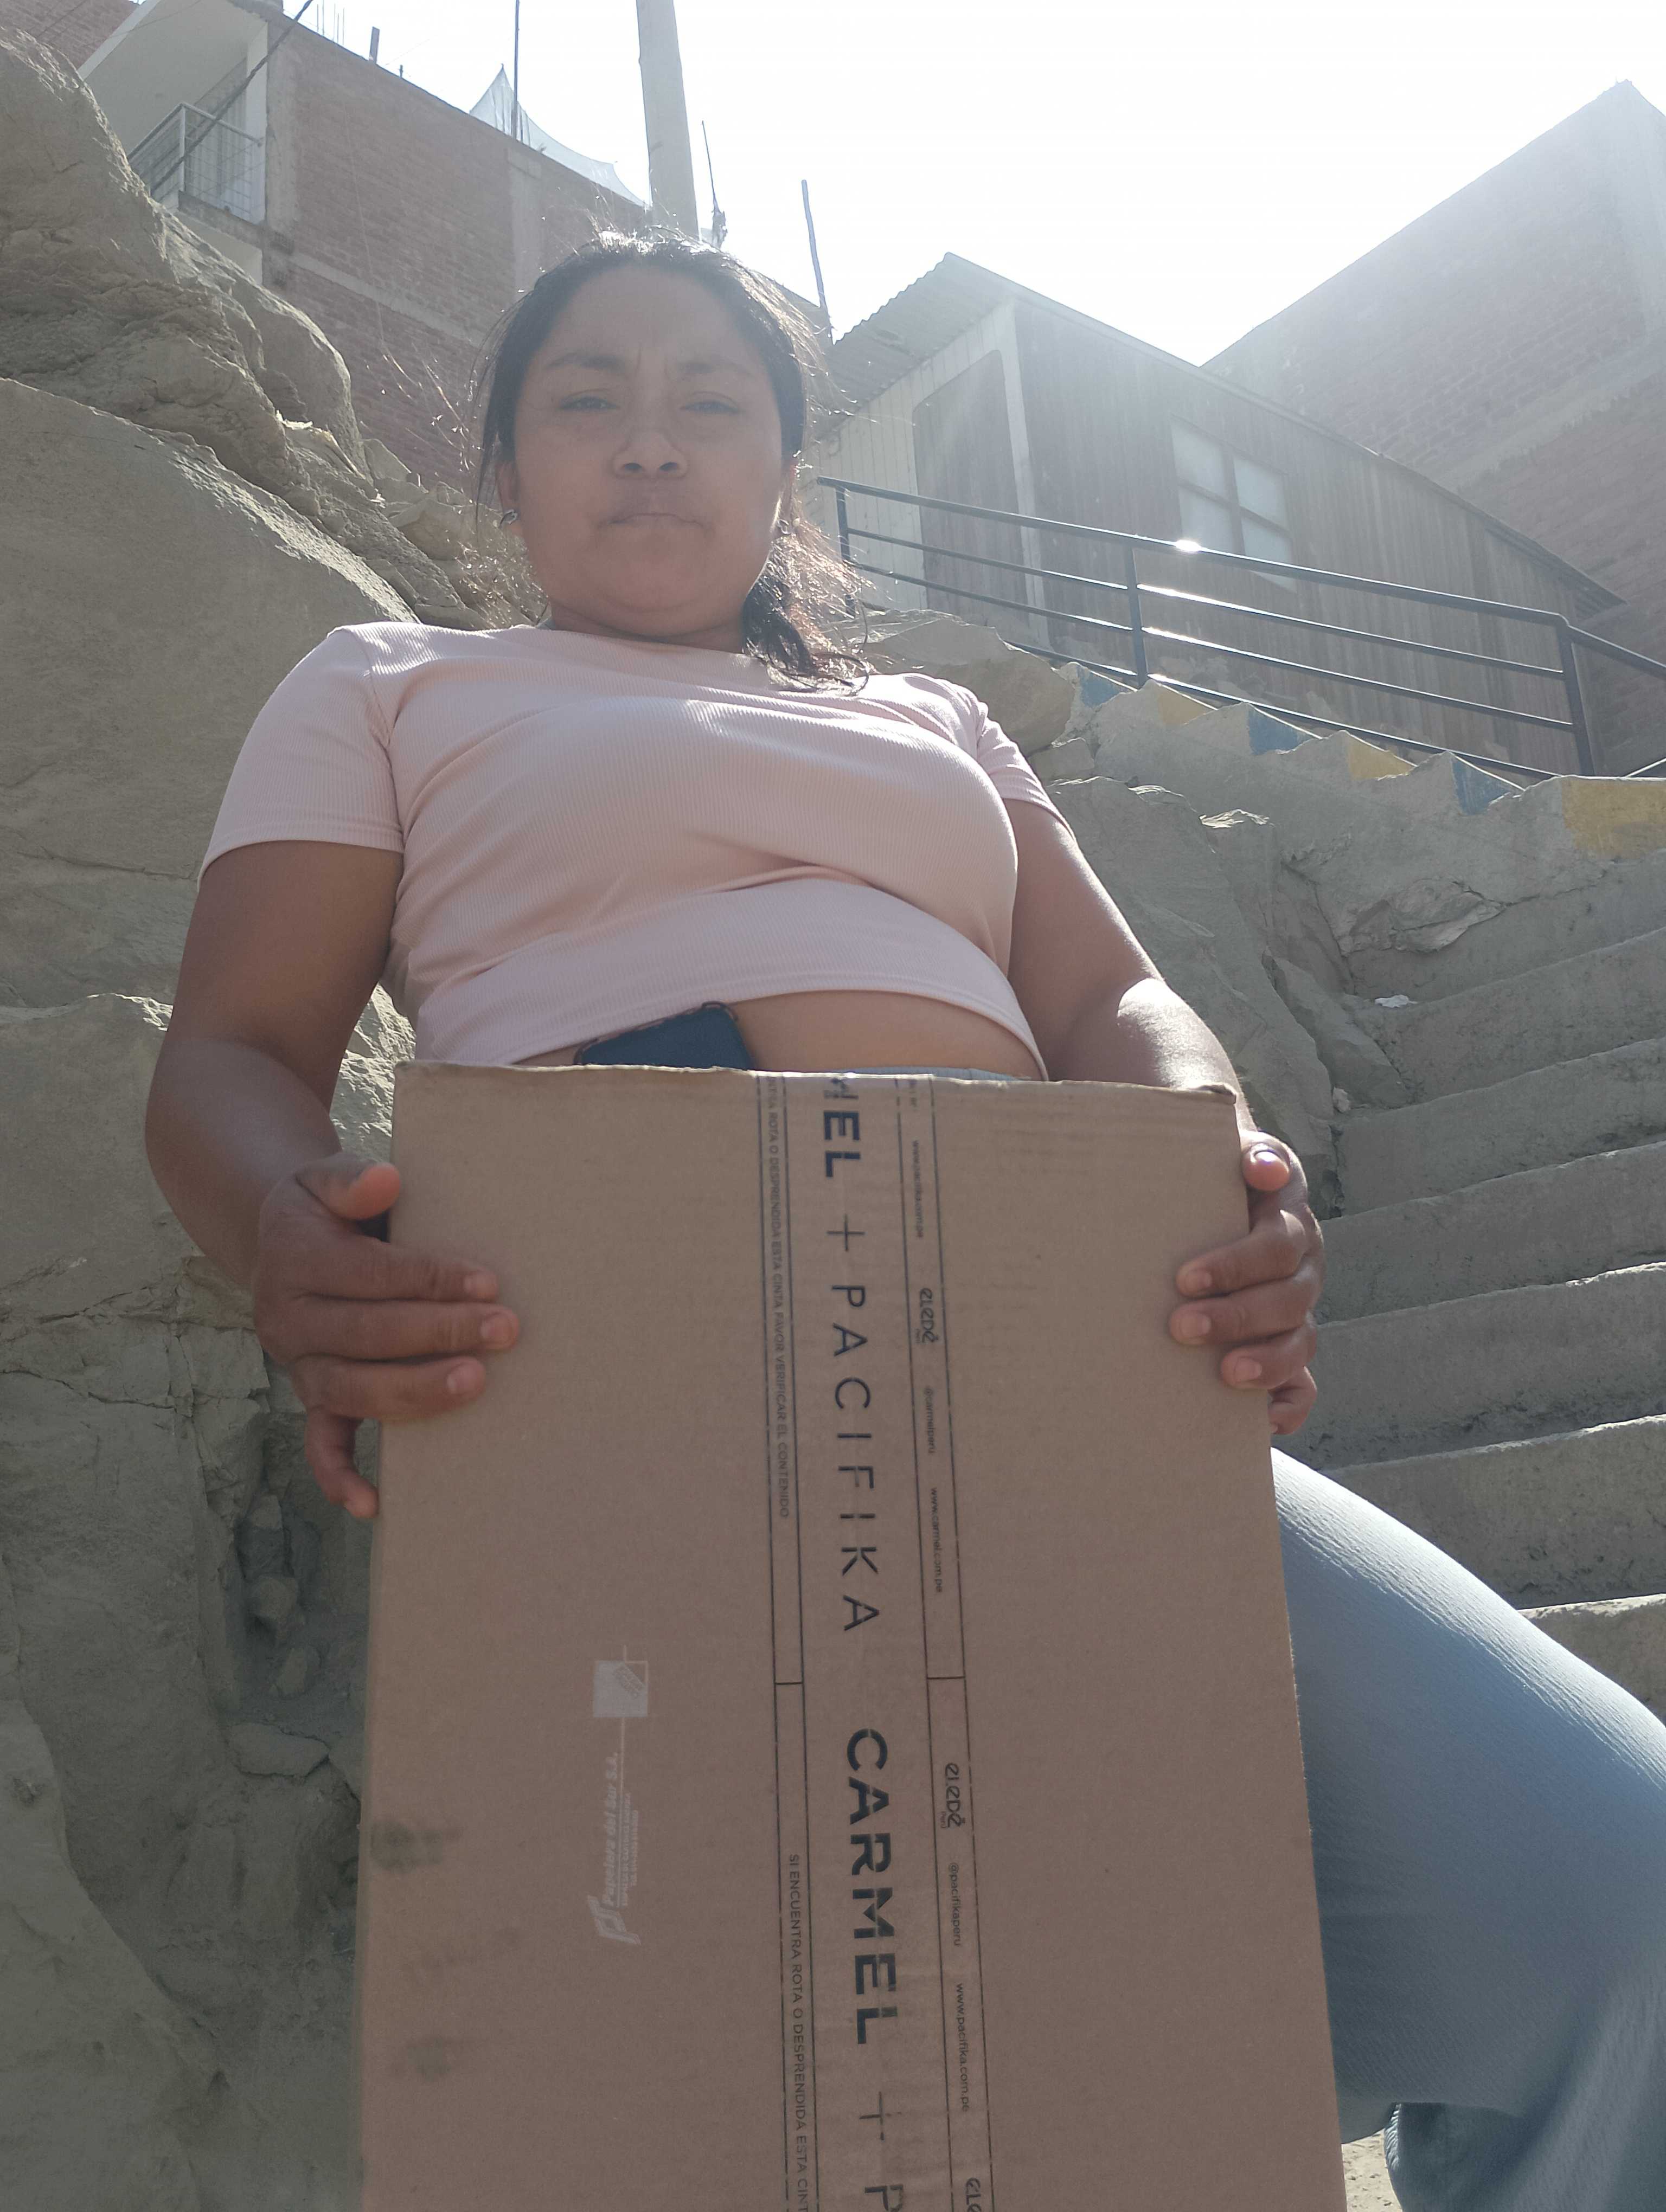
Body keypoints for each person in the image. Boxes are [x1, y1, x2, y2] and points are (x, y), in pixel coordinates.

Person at [145, 234, 1666, 2211]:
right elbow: (232, 1055)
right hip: (600, 1352)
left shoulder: (938, 720)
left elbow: (1117, 999)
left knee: (1612, 1895)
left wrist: (1210, 1157)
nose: (651, 442)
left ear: (783, 471)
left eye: (712, 403)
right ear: (505, 468)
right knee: (737, 2061)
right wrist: (293, 1234)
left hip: (1049, 1335)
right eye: (588, 399)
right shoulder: (395, 683)